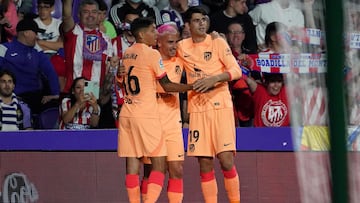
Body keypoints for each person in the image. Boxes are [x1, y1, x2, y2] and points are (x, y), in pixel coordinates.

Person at [118, 17, 192, 203]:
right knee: (158, 167)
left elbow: (123, 80)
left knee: (132, 166)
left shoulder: (127, 52)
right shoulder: (152, 54)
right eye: (152, 31)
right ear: (142, 34)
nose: (155, 33)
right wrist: (192, 87)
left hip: (128, 113)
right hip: (147, 116)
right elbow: (166, 85)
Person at [177, 6, 242, 203]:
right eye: (197, 20)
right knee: (204, 163)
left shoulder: (218, 42)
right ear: (188, 25)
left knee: (225, 159)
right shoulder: (182, 47)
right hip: (198, 109)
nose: (202, 23)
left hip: (220, 106)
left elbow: (236, 71)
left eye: (204, 19)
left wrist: (214, 79)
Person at [0, 18, 60, 115]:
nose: (37, 36)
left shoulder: (36, 50)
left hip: (34, 97)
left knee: (53, 107)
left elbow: (50, 72)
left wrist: (55, 94)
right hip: (11, 96)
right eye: (35, 33)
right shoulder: (4, 48)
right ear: (26, 33)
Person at [62, 0, 116, 93]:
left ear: (98, 15)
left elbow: (109, 67)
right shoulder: (74, 31)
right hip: (74, 89)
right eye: (86, 12)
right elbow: (66, 16)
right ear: (79, 15)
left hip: (94, 90)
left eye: (94, 12)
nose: (90, 15)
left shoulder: (106, 38)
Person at [226, 22, 254, 127]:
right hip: (229, 102)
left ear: (243, 35)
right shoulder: (222, 54)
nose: (235, 35)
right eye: (232, 32)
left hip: (247, 104)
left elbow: (259, 81)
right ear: (227, 35)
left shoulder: (252, 54)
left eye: (238, 32)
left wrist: (248, 67)